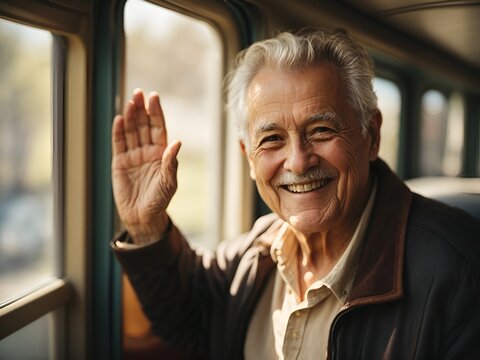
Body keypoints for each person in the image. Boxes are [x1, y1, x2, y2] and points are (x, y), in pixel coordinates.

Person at [111, 28, 480, 359]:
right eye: (272, 140)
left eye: (321, 130)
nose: (299, 162)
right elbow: (189, 318)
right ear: (249, 158)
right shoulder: (256, 252)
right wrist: (146, 226)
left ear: (372, 135)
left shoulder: (460, 267)